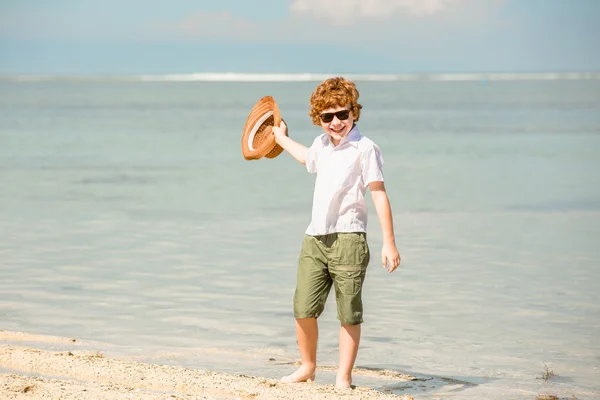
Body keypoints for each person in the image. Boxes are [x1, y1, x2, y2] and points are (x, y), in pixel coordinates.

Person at [272, 77, 401, 389]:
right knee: (303, 308)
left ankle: (343, 377)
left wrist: (389, 243)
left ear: (354, 112)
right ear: (319, 120)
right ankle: (308, 366)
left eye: (342, 114)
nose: (336, 122)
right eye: (327, 117)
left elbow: (379, 194)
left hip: (349, 239)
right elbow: (307, 158)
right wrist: (281, 137)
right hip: (315, 237)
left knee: (349, 314)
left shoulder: (365, 148)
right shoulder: (320, 144)